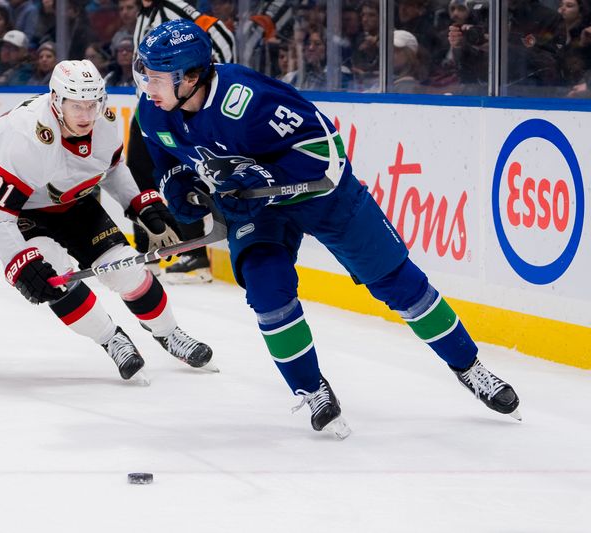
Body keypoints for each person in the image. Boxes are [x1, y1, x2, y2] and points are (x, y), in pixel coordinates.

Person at [134, 19, 521, 436]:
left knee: (398, 283)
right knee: (267, 293)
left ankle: (470, 367)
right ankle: (311, 389)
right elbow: (168, 159)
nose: (146, 87)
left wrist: (267, 178)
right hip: (257, 210)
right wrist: (182, 190)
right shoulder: (155, 113)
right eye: (145, 75)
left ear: (190, 77)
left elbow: (327, 153)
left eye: (154, 78)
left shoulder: (246, 100)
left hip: (324, 196)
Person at [0, 59, 215, 381]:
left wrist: (140, 203)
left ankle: (169, 332)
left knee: (127, 269)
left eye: (91, 105)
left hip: (68, 197)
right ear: (56, 101)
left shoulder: (104, 122)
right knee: (54, 275)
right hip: (13, 210)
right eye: (76, 106)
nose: (85, 116)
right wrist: (21, 263)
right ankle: (111, 339)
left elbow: (109, 167)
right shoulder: (26, 140)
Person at [129, 0, 236, 284]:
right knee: (139, 173)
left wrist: (215, 87)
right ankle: (149, 248)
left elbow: (221, 35)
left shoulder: (174, 7)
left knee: (181, 170)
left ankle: (194, 253)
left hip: (178, 105)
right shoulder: (145, 13)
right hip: (153, 105)